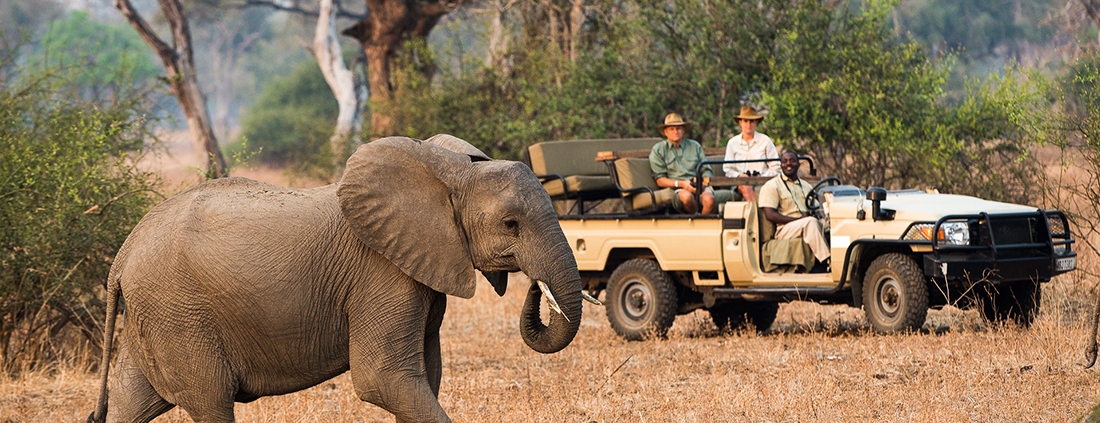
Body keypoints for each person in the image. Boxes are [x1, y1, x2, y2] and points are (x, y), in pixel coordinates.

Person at [758, 151, 830, 268]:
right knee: (810, 223)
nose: (788, 164)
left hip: (805, 222)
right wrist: (796, 220)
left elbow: (816, 207)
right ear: (780, 165)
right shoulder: (772, 185)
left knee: (833, 224)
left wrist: (822, 217)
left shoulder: (806, 185)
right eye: (785, 161)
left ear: (798, 164)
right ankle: (828, 261)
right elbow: (770, 214)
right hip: (784, 228)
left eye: (792, 161)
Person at [649, 112, 717, 214]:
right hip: (677, 187)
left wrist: (702, 183)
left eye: (678, 128)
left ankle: (700, 226)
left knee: (709, 200)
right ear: (665, 132)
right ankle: (696, 222)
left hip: (698, 184)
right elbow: (660, 180)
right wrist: (681, 184)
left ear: (683, 130)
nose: (675, 132)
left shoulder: (695, 146)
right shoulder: (658, 149)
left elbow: (706, 169)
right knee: (687, 197)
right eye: (671, 129)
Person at [723, 106, 780, 202]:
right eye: (745, 121)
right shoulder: (732, 143)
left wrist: (762, 176)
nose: (748, 125)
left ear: (756, 123)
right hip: (740, 183)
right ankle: (757, 215)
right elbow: (728, 169)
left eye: (752, 121)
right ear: (740, 122)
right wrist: (739, 176)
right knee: (746, 187)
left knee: (746, 196)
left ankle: (749, 211)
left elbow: (776, 167)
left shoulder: (765, 141)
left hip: (763, 182)